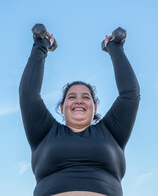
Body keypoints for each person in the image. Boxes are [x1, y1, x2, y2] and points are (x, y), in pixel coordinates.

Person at [19, 30, 140, 196]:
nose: (79, 100)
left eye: (86, 97)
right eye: (71, 97)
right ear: (62, 107)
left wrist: (114, 47)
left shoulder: (112, 131)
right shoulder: (44, 132)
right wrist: (41, 45)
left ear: (95, 108)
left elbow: (130, 94)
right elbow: (28, 94)